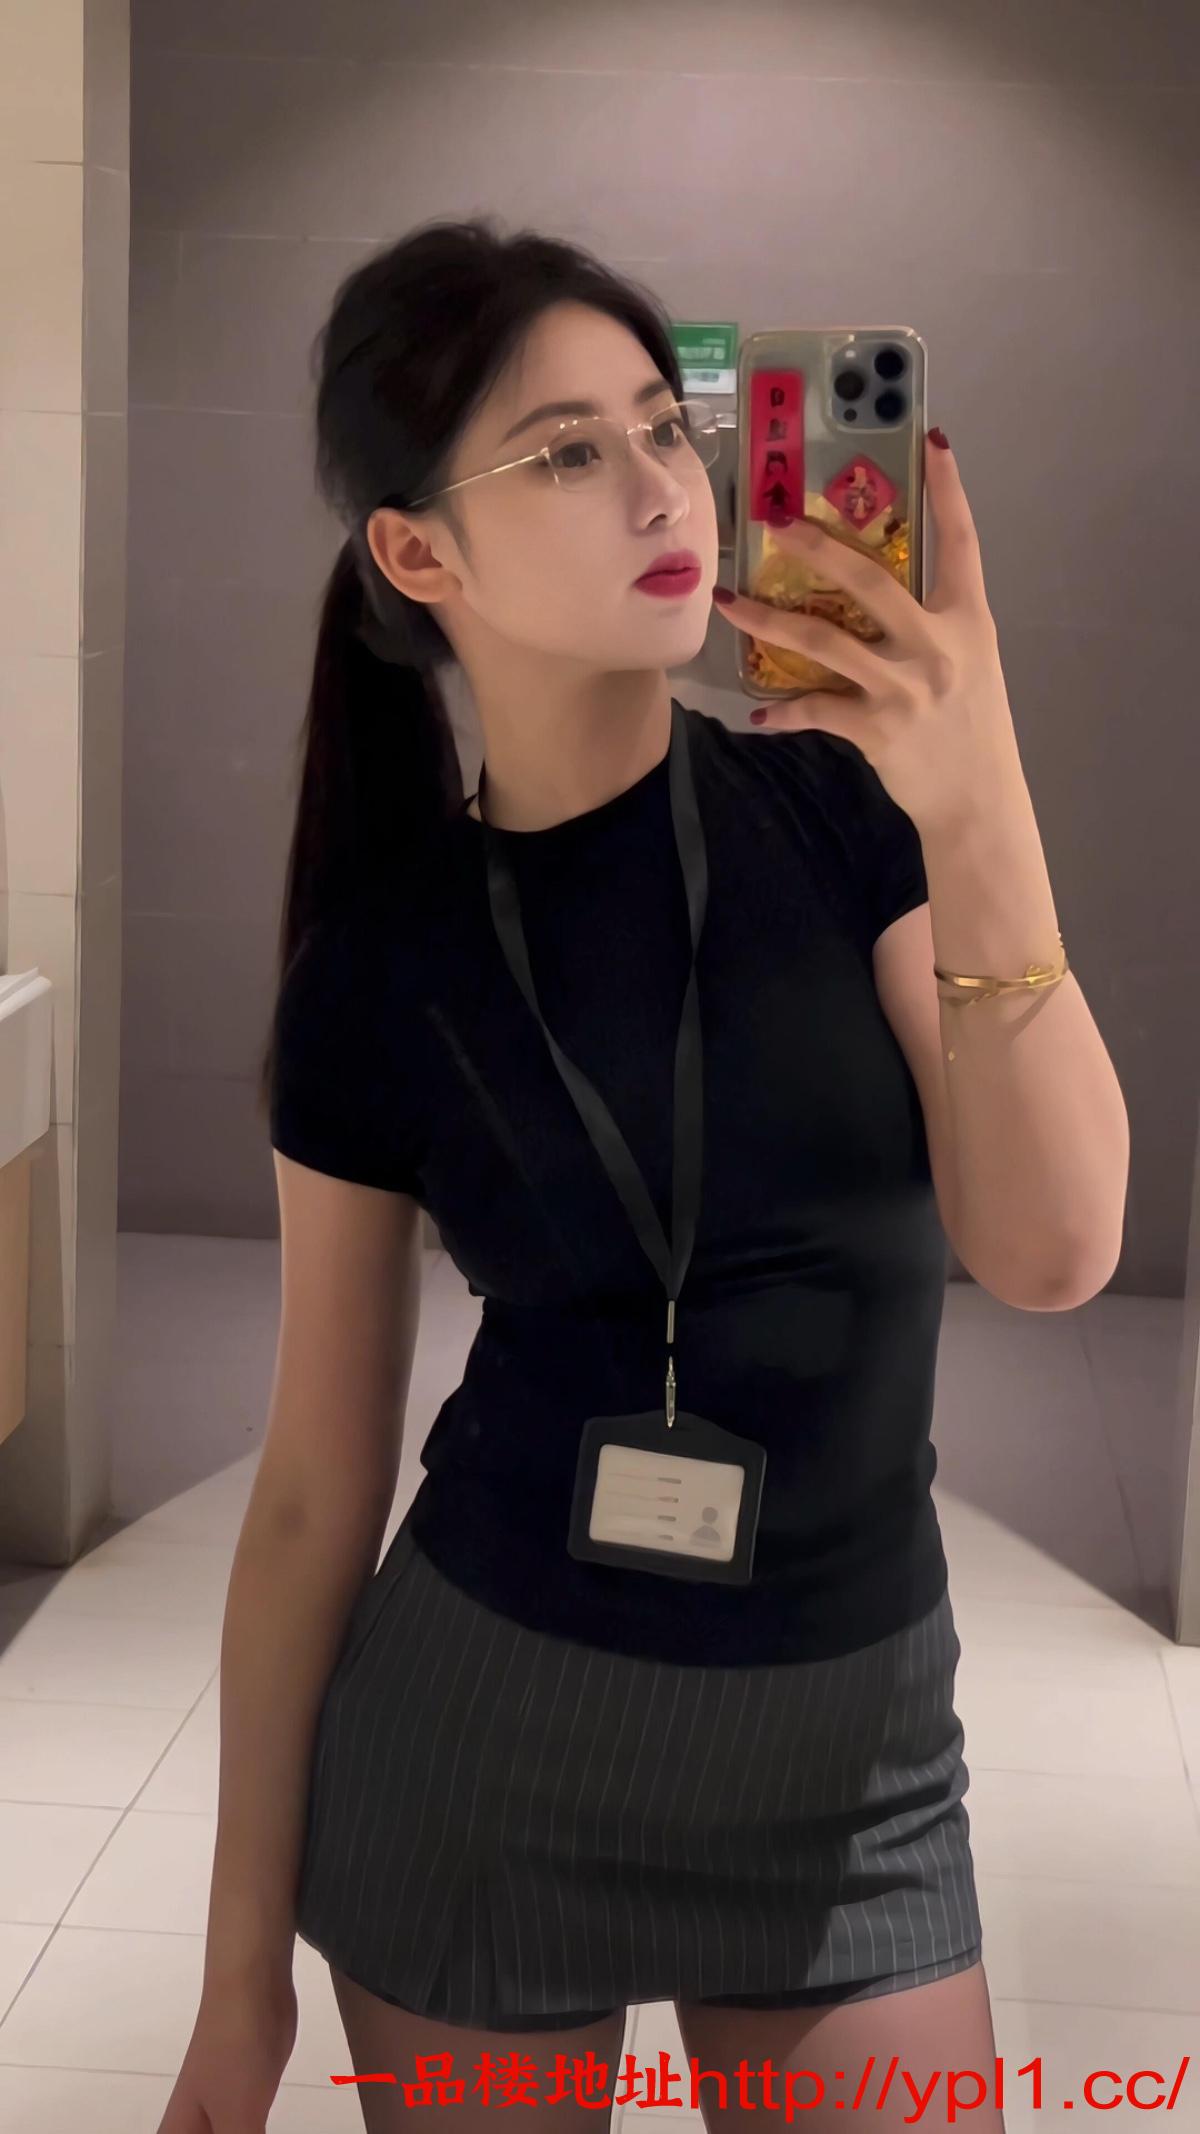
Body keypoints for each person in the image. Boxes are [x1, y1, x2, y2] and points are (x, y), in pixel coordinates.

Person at [159, 216, 1005, 2133]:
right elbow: (311, 1493)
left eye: (659, 426)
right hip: (487, 1745)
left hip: (852, 1765)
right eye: (564, 452)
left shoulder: (842, 816)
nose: (659, 486)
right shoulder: (380, 962)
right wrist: (237, 1980)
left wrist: (981, 763)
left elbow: (1053, 1241)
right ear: (417, 556)